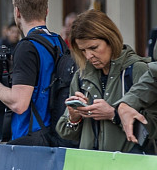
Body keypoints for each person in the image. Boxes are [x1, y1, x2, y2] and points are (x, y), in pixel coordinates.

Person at [0, 0, 68, 146]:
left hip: (29, 139)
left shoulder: (27, 47)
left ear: (17, 12)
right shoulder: (57, 41)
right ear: (46, 11)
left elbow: (19, 104)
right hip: (53, 135)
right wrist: (11, 61)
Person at [55, 10, 153, 152]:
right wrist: (74, 118)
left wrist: (113, 114)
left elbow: (151, 128)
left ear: (110, 39)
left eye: (93, 48)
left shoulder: (138, 70)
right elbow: (66, 133)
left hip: (128, 163)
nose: (89, 56)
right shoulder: (81, 75)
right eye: (83, 50)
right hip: (90, 164)